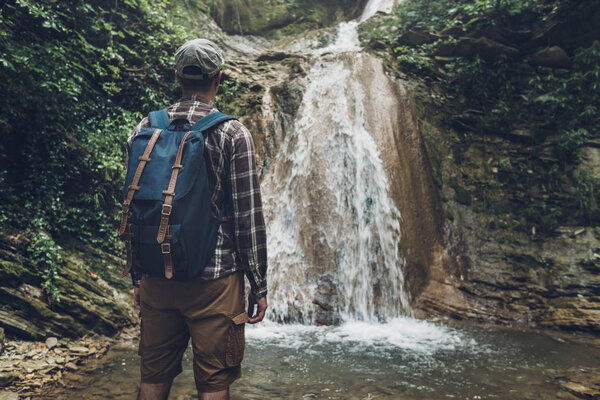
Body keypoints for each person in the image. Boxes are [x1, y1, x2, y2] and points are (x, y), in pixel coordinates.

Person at [125, 38, 268, 400]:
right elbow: (248, 218)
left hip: (158, 276)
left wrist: (139, 273)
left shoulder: (147, 127)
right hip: (215, 283)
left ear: (177, 76)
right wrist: (259, 285)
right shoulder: (232, 132)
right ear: (219, 78)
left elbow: (136, 205)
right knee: (214, 385)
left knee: (152, 382)